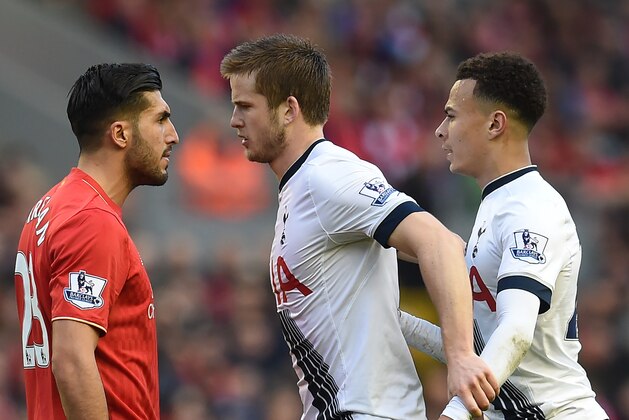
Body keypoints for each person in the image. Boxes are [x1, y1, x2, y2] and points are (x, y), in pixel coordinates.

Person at [220, 33, 498, 420]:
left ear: (289, 110)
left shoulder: (329, 178)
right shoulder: (301, 186)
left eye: (244, 106)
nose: (233, 120)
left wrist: (461, 355)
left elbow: (438, 242)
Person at [401, 52, 609, 419]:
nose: (440, 130)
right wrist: (393, 318)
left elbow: (515, 332)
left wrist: (455, 412)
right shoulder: (498, 204)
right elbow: (479, 350)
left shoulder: (530, 209)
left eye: (451, 115)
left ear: (495, 124)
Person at [13, 63, 179, 419]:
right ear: (120, 134)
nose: (173, 135)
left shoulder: (50, 206)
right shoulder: (91, 220)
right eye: (160, 120)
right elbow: (72, 360)